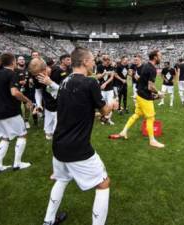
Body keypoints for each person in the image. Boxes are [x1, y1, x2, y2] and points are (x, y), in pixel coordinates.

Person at [42, 47, 117, 225]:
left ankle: (48, 220)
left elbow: (77, 110)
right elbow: (105, 112)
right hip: (77, 147)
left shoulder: (65, 81)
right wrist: (112, 105)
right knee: (103, 183)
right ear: (84, 62)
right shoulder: (89, 83)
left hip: (59, 143)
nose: (93, 63)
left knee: (62, 179)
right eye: (92, 60)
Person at [0, 53, 33, 174]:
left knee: (5, 137)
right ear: (13, 61)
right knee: (22, 134)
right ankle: (17, 163)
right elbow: (14, 92)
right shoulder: (12, 74)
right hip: (9, 110)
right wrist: (27, 100)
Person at [118, 50, 165, 148]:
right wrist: (159, 93)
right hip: (144, 97)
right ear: (155, 57)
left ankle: (123, 131)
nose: (161, 57)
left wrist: (154, 95)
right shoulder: (152, 69)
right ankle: (152, 140)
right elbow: (150, 87)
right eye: (160, 55)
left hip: (139, 94)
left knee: (137, 114)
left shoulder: (145, 66)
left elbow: (140, 80)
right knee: (150, 117)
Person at [32, 59, 60, 140]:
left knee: (58, 134)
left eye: (39, 74)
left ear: (45, 68)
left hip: (61, 107)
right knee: (48, 135)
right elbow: (38, 91)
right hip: (48, 106)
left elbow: (66, 92)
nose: (37, 77)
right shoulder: (36, 76)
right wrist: (39, 105)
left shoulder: (59, 72)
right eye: (35, 75)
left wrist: (50, 83)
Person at [96, 55, 116, 125]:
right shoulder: (99, 66)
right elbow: (97, 77)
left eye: (109, 60)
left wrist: (105, 84)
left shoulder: (111, 67)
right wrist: (103, 74)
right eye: (106, 61)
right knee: (102, 105)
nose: (108, 62)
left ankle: (108, 119)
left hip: (110, 89)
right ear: (103, 61)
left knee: (110, 104)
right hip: (101, 90)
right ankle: (102, 118)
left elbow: (112, 77)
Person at [15, 55, 32, 128]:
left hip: (27, 91)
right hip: (17, 91)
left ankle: (26, 121)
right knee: (17, 107)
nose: (22, 60)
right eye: (20, 59)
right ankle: (20, 121)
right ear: (17, 61)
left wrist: (31, 80)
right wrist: (19, 82)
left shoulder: (28, 70)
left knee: (27, 106)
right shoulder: (14, 70)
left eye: (23, 59)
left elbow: (31, 77)